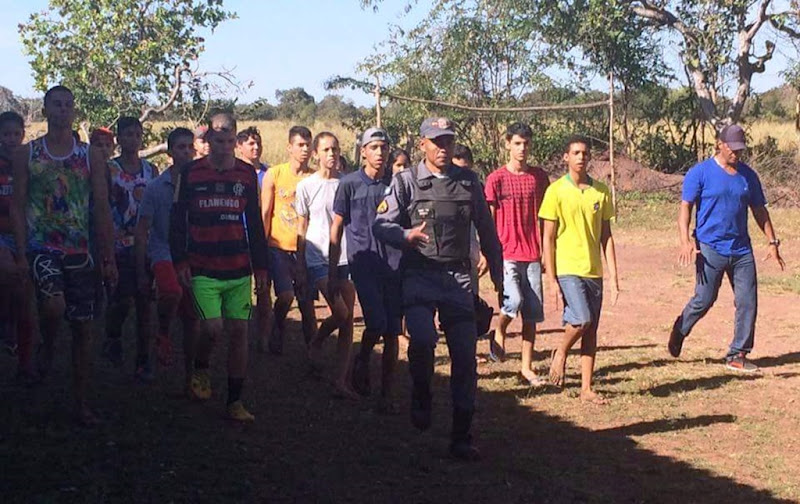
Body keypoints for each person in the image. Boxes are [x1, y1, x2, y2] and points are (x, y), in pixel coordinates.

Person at [373, 117, 503, 460]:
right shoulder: (405, 182)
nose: (442, 147)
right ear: (423, 145)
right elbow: (381, 224)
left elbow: (488, 233)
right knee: (423, 340)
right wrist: (405, 236)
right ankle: (421, 391)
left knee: (464, 358)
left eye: (447, 141)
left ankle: (461, 435)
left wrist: (501, 281)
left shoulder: (469, 183)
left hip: (458, 280)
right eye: (436, 141)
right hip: (419, 275)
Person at [11, 85, 117, 425]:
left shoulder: (90, 155)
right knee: (54, 305)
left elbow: (101, 205)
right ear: (45, 110)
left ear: (74, 111)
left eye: (68, 104)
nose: (62, 109)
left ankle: (81, 401)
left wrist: (108, 256)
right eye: (56, 104)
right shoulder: (27, 154)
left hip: (79, 249)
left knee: (84, 328)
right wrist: (21, 252)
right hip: (41, 246)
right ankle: (47, 342)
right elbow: (16, 205)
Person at [170, 112, 268, 422]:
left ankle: (235, 401)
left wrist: (262, 267)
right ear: (208, 141)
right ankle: (200, 365)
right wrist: (180, 260)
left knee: (239, 331)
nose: (224, 146)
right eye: (219, 140)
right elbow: (177, 221)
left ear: (235, 142)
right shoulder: (191, 173)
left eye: (230, 140)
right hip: (202, 265)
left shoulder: (246, 175)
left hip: (238, 265)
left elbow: (253, 221)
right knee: (212, 328)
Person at [669, 124, 784, 372]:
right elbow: (685, 208)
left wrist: (772, 242)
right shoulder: (700, 173)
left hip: (741, 249)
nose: (736, 153)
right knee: (705, 298)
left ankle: (737, 353)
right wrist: (685, 240)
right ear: (720, 144)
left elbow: (759, 210)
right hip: (709, 247)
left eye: (740, 149)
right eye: (732, 148)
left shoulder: (748, 176)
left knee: (747, 301)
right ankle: (680, 328)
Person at [539, 135, 619, 404]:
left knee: (591, 330)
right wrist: (551, 279)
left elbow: (606, 236)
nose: (581, 157)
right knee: (582, 319)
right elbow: (548, 237)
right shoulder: (556, 191)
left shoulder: (601, 191)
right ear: (566, 157)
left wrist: (614, 275)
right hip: (568, 268)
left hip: (593, 269)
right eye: (575, 153)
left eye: (585, 153)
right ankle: (561, 351)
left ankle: (587, 388)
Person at [330, 127, 402, 412]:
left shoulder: (396, 183)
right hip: (363, 262)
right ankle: (362, 358)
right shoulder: (348, 184)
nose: (380, 152)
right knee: (376, 322)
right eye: (374, 147)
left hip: (394, 263)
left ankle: (386, 395)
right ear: (363, 152)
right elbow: (336, 227)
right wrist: (335, 269)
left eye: (384, 147)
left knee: (393, 331)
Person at [484, 122, 550, 385]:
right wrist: (489, 252)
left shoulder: (539, 177)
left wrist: (546, 250)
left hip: (532, 252)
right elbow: (488, 220)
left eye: (526, 143)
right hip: (507, 252)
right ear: (508, 144)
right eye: (517, 143)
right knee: (513, 302)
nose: (522, 148)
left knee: (532, 314)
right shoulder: (496, 179)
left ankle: (526, 367)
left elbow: (547, 216)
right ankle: (498, 329)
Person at [296, 132, 358, 399]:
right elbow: (301, 226)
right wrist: (299, 265)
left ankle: (340, 379)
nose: (331, 154)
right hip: (317, 256)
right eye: (326, 150)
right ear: (316, 153)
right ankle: (317, 342)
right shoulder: (306, 186)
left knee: (348, 323)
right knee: (341, 312)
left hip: (345, 256)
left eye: (335, 149)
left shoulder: (347, 183)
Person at [135, 127, 197, 392]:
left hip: (193, 254)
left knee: (193, 318)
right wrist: (139, 269)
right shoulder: (155, 187)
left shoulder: (199, 185)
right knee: (171, 292)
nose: (186, 151)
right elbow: (142, 228)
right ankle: (162, 332)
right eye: (180, 147)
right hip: (162, 250)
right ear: (170, 152)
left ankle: (190, 376)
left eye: (189, 147)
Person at [103, 117, 158, 381]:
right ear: (119, 138)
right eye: (127, 134)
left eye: (137, 134)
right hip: (117, 244)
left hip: (144, 244)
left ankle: (143, 359)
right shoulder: (109, 169)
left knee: (144, 301)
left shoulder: (151, 170)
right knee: (122, 300)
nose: (133, 139)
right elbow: (101, 205)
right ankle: (112, 336)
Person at [260, 126, 316, 354]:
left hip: (307, 248)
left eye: (308, 145)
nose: (305, 149)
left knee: (307, 304)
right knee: (285, 295)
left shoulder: (314, 178)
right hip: (278, 246)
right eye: (300, 145)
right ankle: (279, 323)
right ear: (289, 147)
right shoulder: (275, 174)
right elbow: (265, 212)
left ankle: (313, 352)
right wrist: (261, 247)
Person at [0, 111, 37, 383]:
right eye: (6, 134)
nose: (12, 139)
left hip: (26, 234)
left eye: (16, 133)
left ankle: (25, 360)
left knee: (26, 299)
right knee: (11, 274)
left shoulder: (31, 162)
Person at [236, 126, 269, 191]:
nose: (256, 147)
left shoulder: (269, 172)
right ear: (239, 147)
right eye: (251, 144)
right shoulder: (234, 172)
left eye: (259, 144)